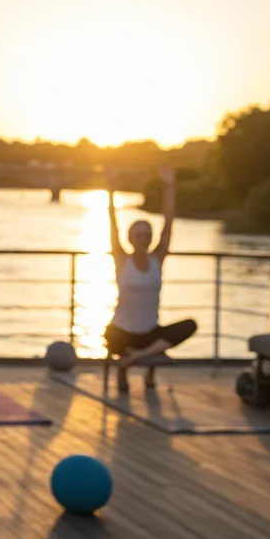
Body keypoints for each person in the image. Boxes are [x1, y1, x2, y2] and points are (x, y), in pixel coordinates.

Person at [104, 166, 197, 392]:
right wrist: (111, 188)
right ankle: (129, 366)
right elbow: (112, 223)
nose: (143, 238)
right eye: (138, 234)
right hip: (123, 333)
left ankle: (134, 359)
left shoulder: (158, 258)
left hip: (149, 333)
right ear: (130, 238)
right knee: (110, 335)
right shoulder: (121, 259)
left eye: (147, 234)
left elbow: (169, 221)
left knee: (190, 325)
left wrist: (170, 187)